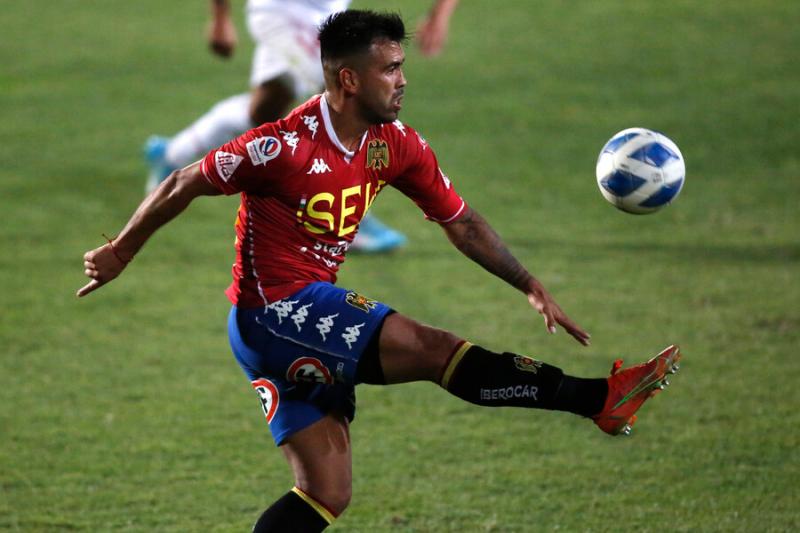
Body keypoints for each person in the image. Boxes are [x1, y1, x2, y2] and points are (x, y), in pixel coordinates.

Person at [80, 10, 682, 532]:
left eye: (401, 65)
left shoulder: (394, 144)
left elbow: (461, 221)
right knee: (432, 347)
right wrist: (122, 252)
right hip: (274, 315)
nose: (402, 80)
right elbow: (184, 181)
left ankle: (602, 401)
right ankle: (601, 399)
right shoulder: (282, 147)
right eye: (389, 68)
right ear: (349, 78)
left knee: (325, 494)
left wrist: (528, 283)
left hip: (300, 318)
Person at [145, 0, 460, 253]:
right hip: (278, 12)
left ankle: (173, 153)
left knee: (263, 112)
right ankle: (346, 218)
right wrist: (220, 16)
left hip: (330, 15)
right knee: (343, 96)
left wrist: (440, 13)